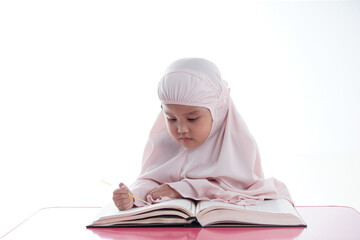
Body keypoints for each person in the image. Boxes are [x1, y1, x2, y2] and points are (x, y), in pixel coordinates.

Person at [113, 58, 292, 211]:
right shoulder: (163, 143)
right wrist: (132, 195)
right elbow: (150, 180)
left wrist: (183, 188)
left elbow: (241, 188)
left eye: (192, 119)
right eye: (171, 118)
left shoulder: (237, 144)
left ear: (217, 112)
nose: (181, 129)